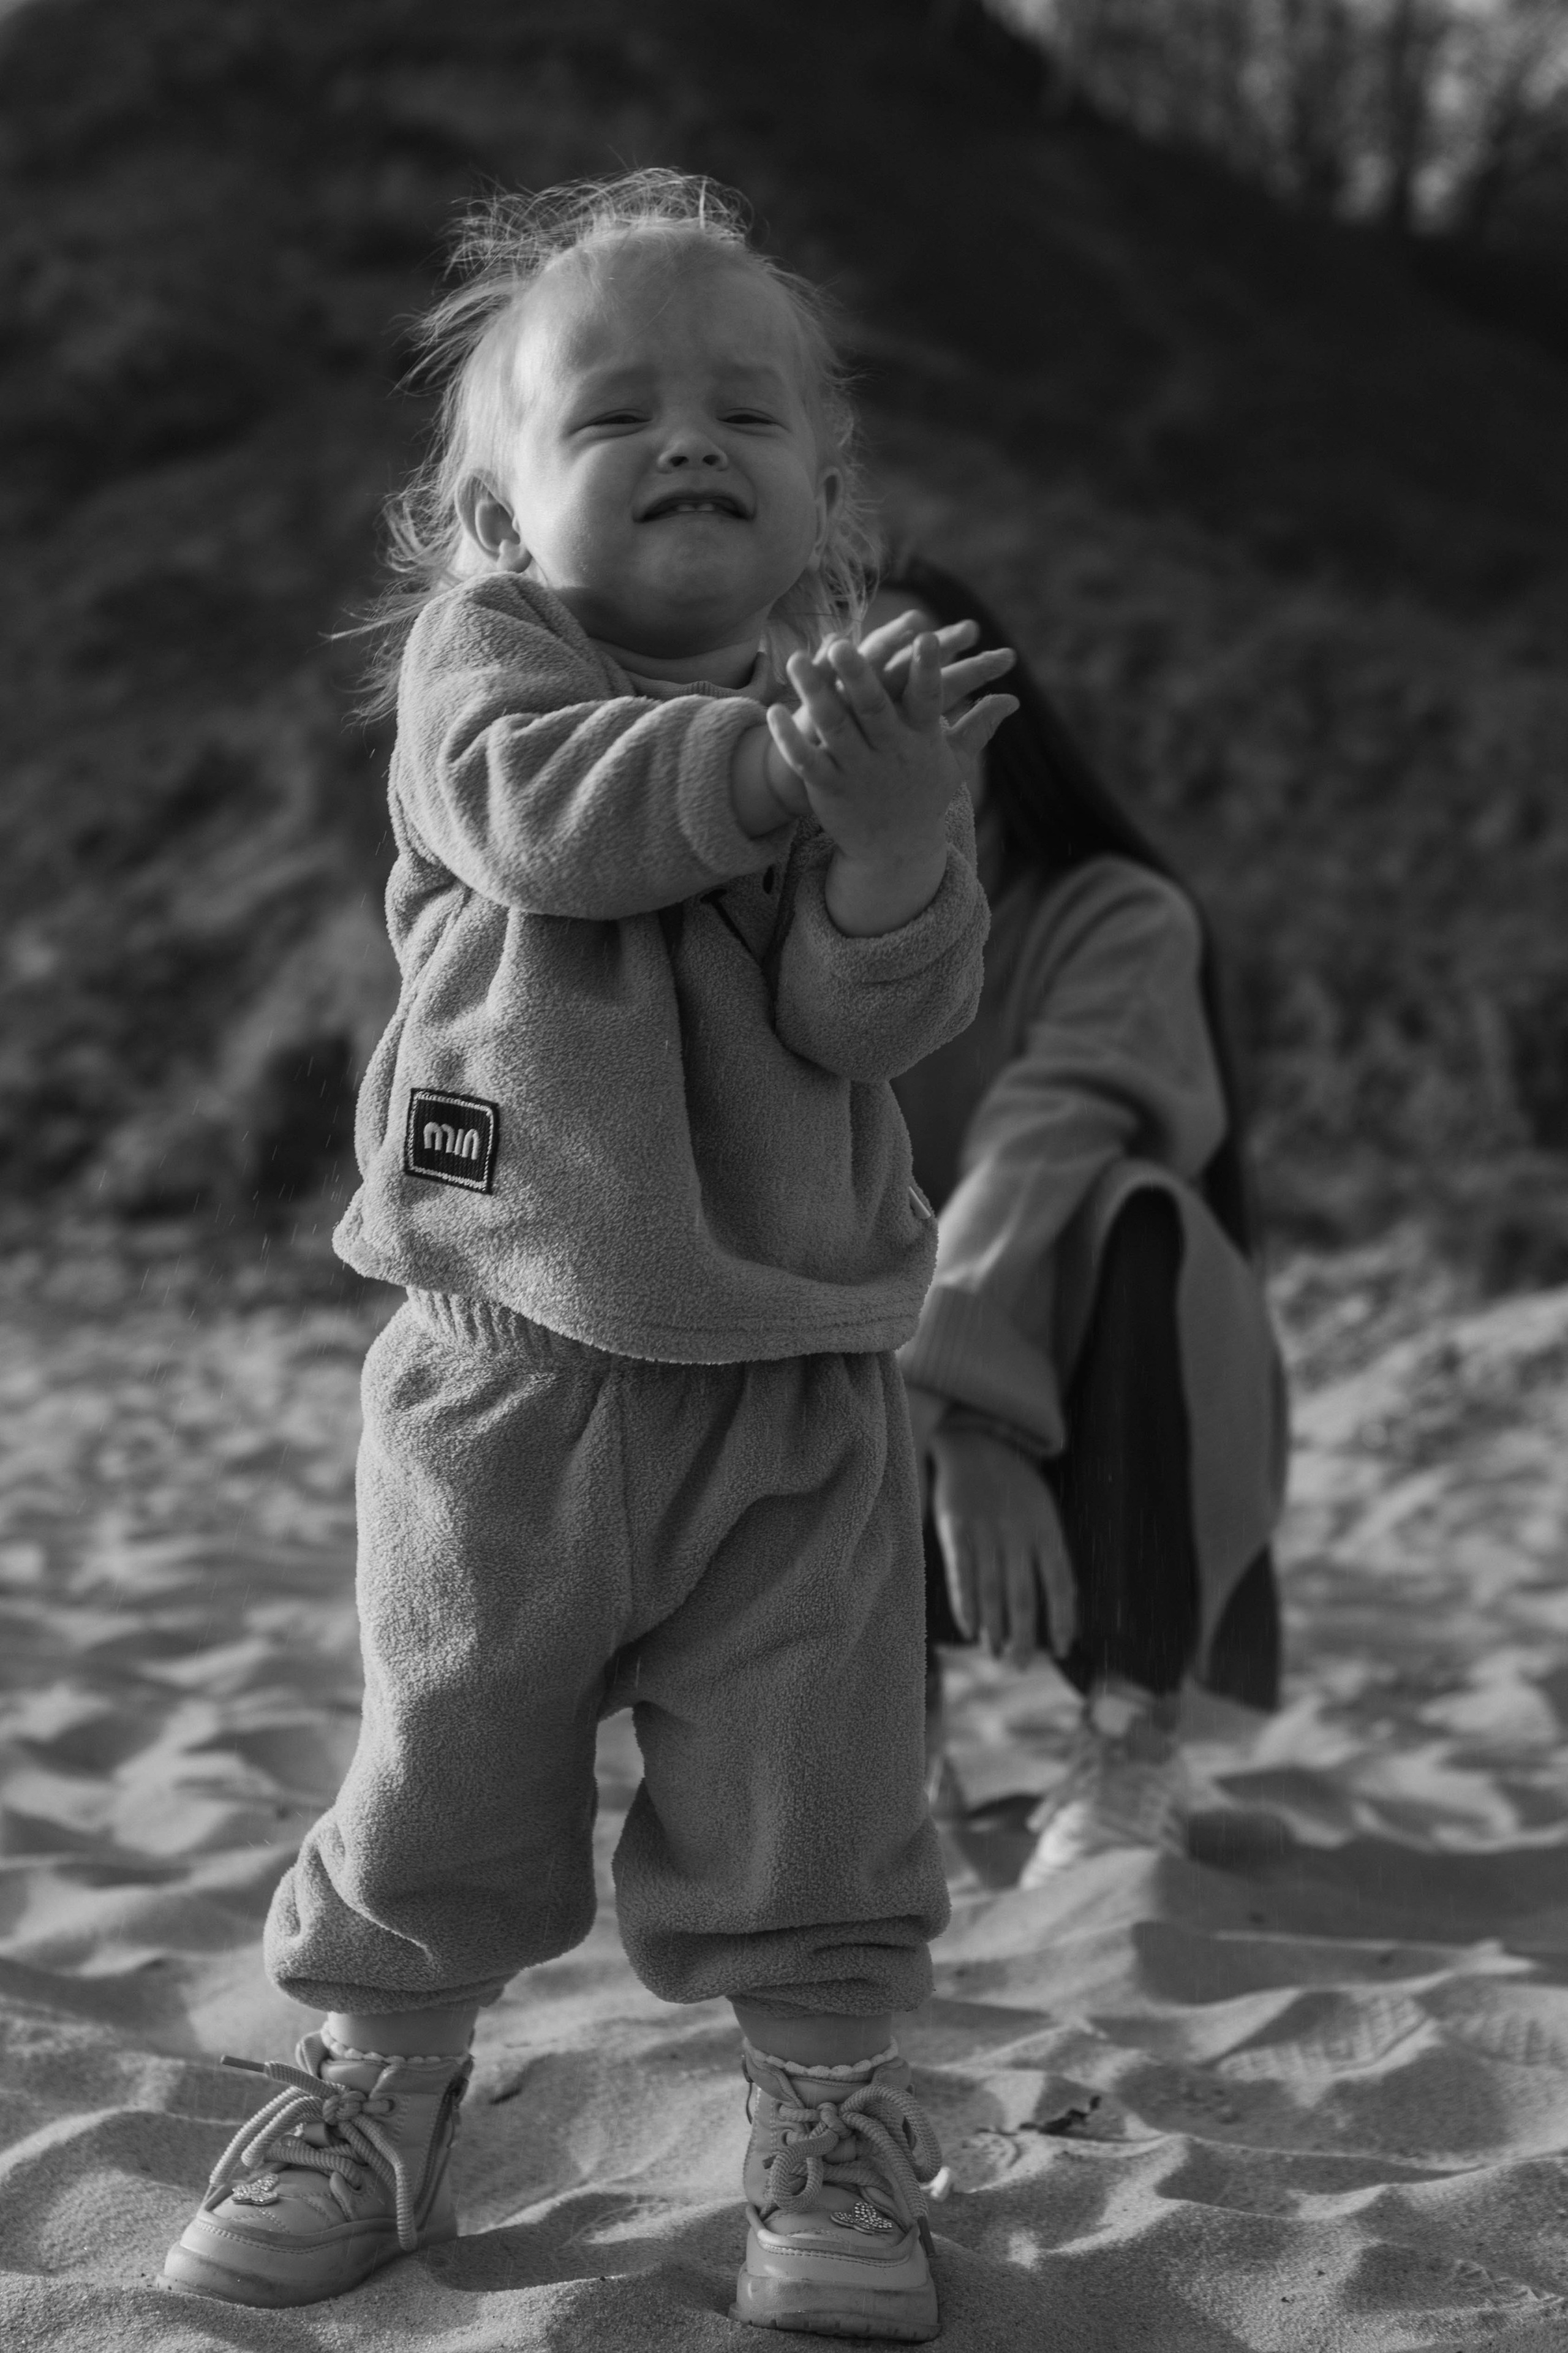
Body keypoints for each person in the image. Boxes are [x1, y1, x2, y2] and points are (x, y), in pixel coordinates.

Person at [160, 175, 1018, 2344]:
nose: (687, 437)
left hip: (792, 1385)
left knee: (816, 1794)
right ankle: (380, 2086)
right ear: (494, 513)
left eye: (744, 408)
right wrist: (792, 772)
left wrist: (897, 847)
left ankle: (824, 2124)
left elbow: (871, 1024)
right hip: (506, 1367)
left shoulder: (842, 726)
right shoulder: (489, 670)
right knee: (444, 1763)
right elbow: (552, 815)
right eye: (615, 411)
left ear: (828, 494)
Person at [872, 556, 1289, 1883]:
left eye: (920, 689)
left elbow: (1041, 1146)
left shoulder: (1116, 915)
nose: (887, 728)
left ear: (1002, 717)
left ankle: (1129, 1735)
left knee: (1129, 1204)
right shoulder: (773, 938)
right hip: (872, 1413)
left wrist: (967, 1410)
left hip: (1103, 1401)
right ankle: (882, 1728)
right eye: (834, 697)